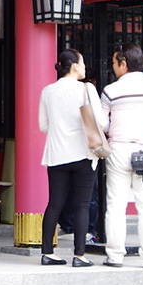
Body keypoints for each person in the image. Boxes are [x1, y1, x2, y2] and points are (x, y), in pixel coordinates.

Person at [100, 43, 143, 269]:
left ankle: (115, 255)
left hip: (118, 148)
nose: (113, 67)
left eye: (114, 63)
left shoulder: (110, 91)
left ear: (124, 64)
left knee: (116, 205)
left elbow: (103, 123)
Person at [37, 49, 106, 267]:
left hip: (56, 154)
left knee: (54, 204)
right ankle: (79, 255)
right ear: (75, 66)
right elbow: (101, 123)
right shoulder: (87, 89)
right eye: (83, 62)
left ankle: (47, 252)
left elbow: (43, 126)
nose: (85, 67)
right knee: (82, 205)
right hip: (83, 153)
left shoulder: (48, 91)